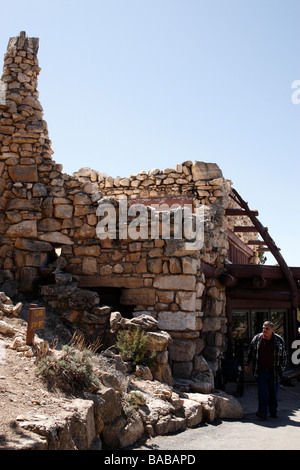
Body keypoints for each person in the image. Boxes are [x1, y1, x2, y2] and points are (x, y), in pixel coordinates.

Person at [244, 320, 287, 420]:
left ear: (272, 329)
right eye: (263, 328)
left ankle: (273, 411)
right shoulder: (257, 339)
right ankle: (262, 412)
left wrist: (281, 369)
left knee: (273, 393)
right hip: (261, 371)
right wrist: (246, 363)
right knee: (262, 392)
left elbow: (284, 357)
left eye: (267, 328)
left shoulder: (279, 340)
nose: (264, 330)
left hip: (274, 371)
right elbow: (250, 352)